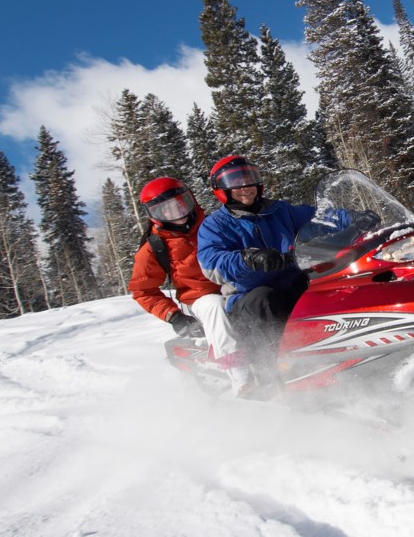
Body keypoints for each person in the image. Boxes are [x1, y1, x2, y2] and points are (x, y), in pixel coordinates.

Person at [196, 156, 318, 380]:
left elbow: (317, 217)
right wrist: (248, 259)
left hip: (295, 281)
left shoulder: (280, 210)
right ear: (222, 189)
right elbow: (212, 261)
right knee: (266, 299)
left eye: (249, 179)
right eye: (235, 183)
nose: (245, 188)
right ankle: (276, 374)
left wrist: (350, 218)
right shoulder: (215, 225)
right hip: (247, 297)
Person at [129, 176, 251, 394]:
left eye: (179, 203)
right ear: (153, 215)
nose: (175, 212)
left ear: (190, 199)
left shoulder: (213, 223)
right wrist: (173, 315)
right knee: (214, 305)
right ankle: (240, 376)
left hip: (235, 286)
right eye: (164, 209)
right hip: (198, 299)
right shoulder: (155, 246)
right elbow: (142, 289)